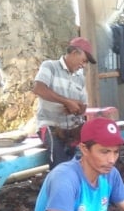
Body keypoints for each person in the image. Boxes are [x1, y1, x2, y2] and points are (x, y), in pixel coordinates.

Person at [33, 37, 97, 169]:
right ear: (74, 53)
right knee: (60, 165)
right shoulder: (50, 66)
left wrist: (77, 108)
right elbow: (38, 88)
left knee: (90, 158)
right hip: (51, 126)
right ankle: (61, 186)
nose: (83, 65)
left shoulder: (80, 77)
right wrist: (66, 102)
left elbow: (83, 107)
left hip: (73, 127)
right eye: (84, 60)